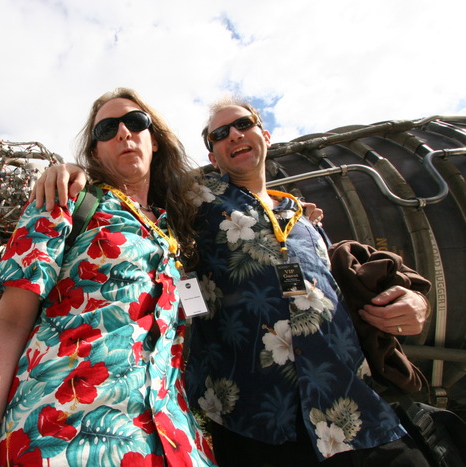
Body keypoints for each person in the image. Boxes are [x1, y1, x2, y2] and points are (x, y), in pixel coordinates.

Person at [30, 96, 431, 466]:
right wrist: (71, 172)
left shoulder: (302, 216)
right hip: (254, 419)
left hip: (355, 413)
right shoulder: (194, 201)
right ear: (212, 155)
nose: (234, 135)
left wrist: (416, 300)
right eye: (219, 134)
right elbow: (131, 179)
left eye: (242, 125)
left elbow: (348, 274)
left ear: (265, 134)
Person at [0, 88, 217, 467]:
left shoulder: (175, 232)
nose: (123, 132)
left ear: (154, 139)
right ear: (95, 152)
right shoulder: (65, 200)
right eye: (107, 129)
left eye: (135, 122)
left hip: (174, 443)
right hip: (64, 436)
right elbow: (9, 322)